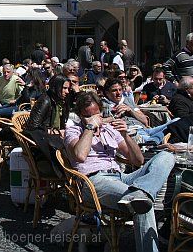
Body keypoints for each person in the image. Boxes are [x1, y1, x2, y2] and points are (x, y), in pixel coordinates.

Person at [64, 91, 175, 252]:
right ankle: (141, 197)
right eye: (88, 115)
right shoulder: (74, 131)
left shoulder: (109, 130)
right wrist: (89, 127)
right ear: (80, 115)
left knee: (166, 156)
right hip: (94, 181)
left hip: (120, 176)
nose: (95, 119)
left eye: (97, 114)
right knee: (143, 206)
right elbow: (80, 155)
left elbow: (138, 160)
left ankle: (141, 192)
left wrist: (126, 135)